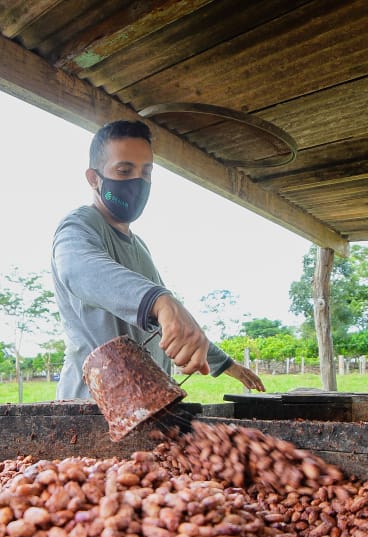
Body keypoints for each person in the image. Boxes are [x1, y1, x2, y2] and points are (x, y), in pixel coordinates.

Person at [51, 119, 266, 401]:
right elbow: (78, 270)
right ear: (94, 178)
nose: (136, 182)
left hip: (146, 405)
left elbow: (170, 322)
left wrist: (225, 364)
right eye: (124, 170)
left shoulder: (139, 247)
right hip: (92, 409)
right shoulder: (79, 226)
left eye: (146, 172)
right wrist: (159, 300)